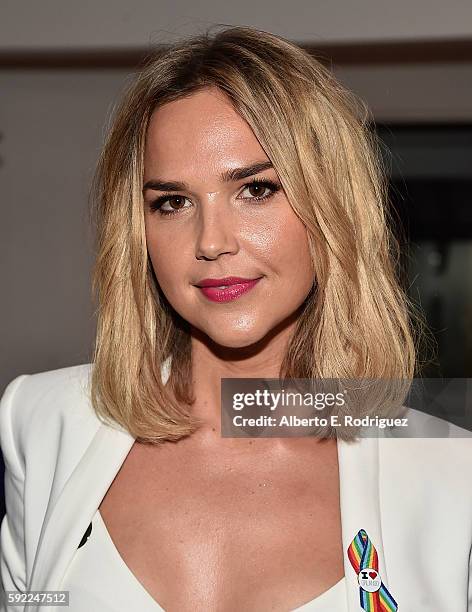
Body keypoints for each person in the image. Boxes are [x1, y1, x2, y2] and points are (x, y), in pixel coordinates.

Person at [1, 25, 472, 612]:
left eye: (256, 189)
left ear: (332, 206)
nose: (211, 241)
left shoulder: (453, 474)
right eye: (172, 202)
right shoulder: (43, 423)